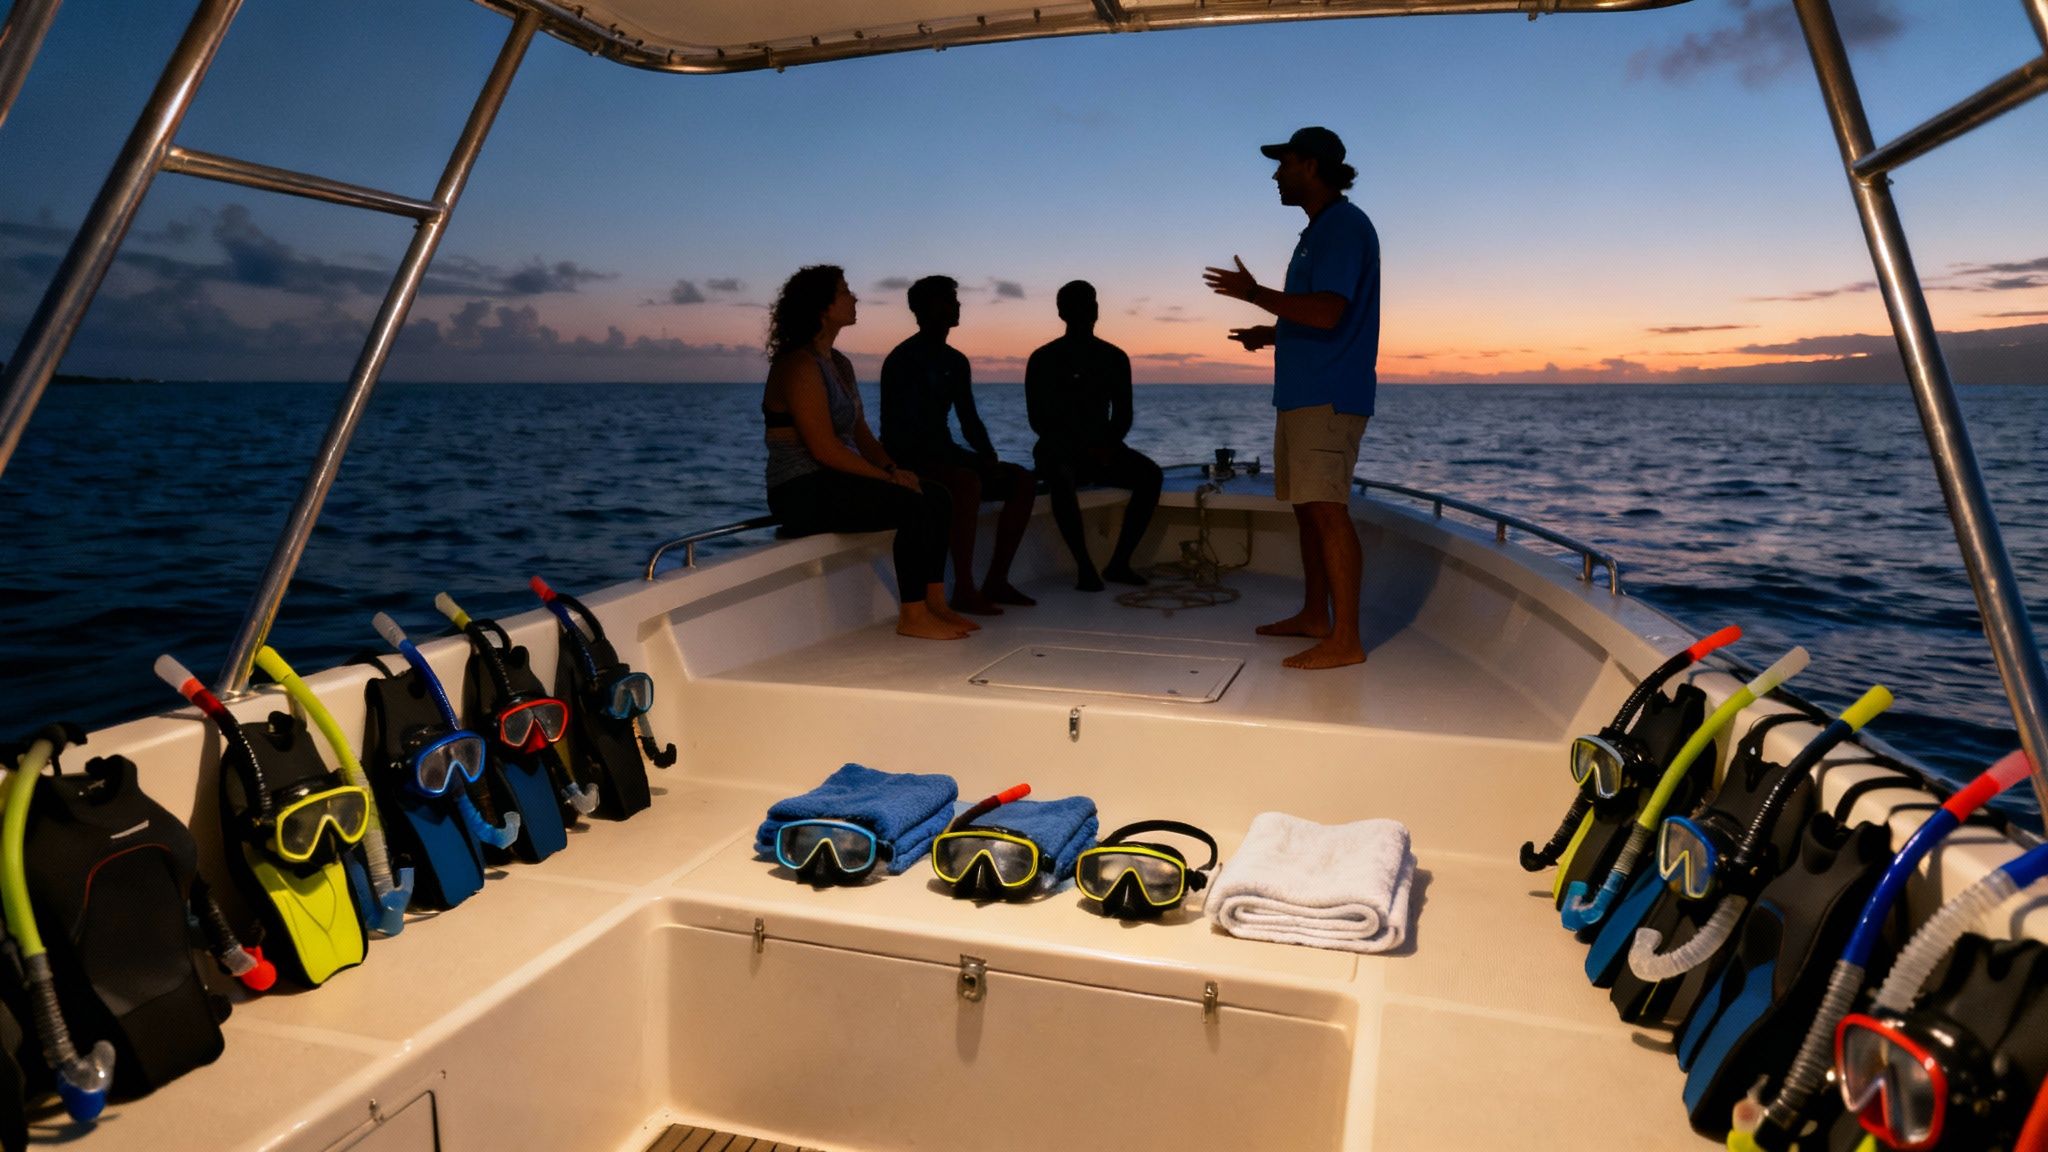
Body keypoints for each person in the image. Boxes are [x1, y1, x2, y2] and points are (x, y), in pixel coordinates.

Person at [1203, 125, 1380, 670]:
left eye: (1284, 163)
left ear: (1311, 166)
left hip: (1328, 395)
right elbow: (1324, 317)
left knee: (1327, 511)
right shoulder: (1317, 232)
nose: (1275, 174)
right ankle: (1314, 615)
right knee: (1309, 510)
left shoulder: (1343, 227)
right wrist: (1272, 333)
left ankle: (1345, 639)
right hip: (1305, 393)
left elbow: (1328, 312)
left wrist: (1254, 294)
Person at [760, 265, 976, 640]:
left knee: (936, 495)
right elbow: (824, 449)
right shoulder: (799, 365)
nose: (854, 297)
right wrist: (889, 479)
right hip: (798, 490)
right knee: (914, 503)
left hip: (832, 481)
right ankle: (912, 616)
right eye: (845, 292)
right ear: (823, 306)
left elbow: (862, 436)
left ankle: (935, 603)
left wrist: (893, 466)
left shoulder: (838, 364)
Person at [879, 275, 1038, 615]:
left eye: (955, 299)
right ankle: (964, 589)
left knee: (1022, 480)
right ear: (923, 310)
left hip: (945, 453)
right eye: (949, 300)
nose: (957, 306)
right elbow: (902, 433)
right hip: (910, 459)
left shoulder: (955, 361)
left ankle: (996, 580)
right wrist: (966, 462)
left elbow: (969, 419)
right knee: (966, 483)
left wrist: (987, 455)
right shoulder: (902, 360)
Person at [1024, 280, 1162, 591]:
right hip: (1057, 448)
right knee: (1060, 474)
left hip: (1103, 447)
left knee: (1150, 475)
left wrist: (1106, 445)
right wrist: (1078, 446)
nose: (1089, 309)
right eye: (1080, 303)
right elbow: (1039, 421)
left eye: (1091, 302)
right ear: (1062, 312)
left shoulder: (1113, 357)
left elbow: (1123, 415)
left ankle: (1119, 563)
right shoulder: (1043, 359)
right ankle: (1084, 566)